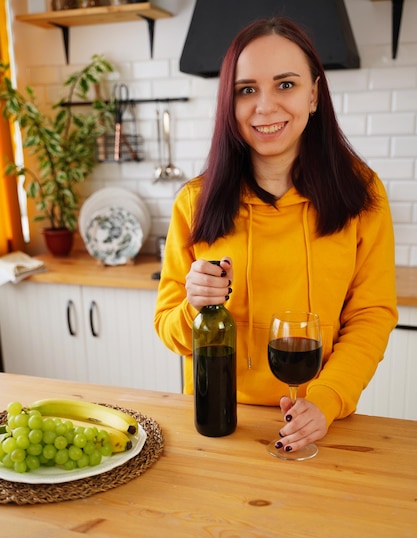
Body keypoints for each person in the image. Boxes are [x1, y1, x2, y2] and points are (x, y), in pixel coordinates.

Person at [154, 17, 398, 453]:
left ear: (314, 95)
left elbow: (371, 315)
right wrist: (193, 308)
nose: (264, 107)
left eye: (285, 84)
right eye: (246, 90)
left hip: (319, 421)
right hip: (220, 426)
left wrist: (326, 401)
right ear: (229, 103)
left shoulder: (361, 194)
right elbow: (167, 329)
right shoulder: (195, 201)